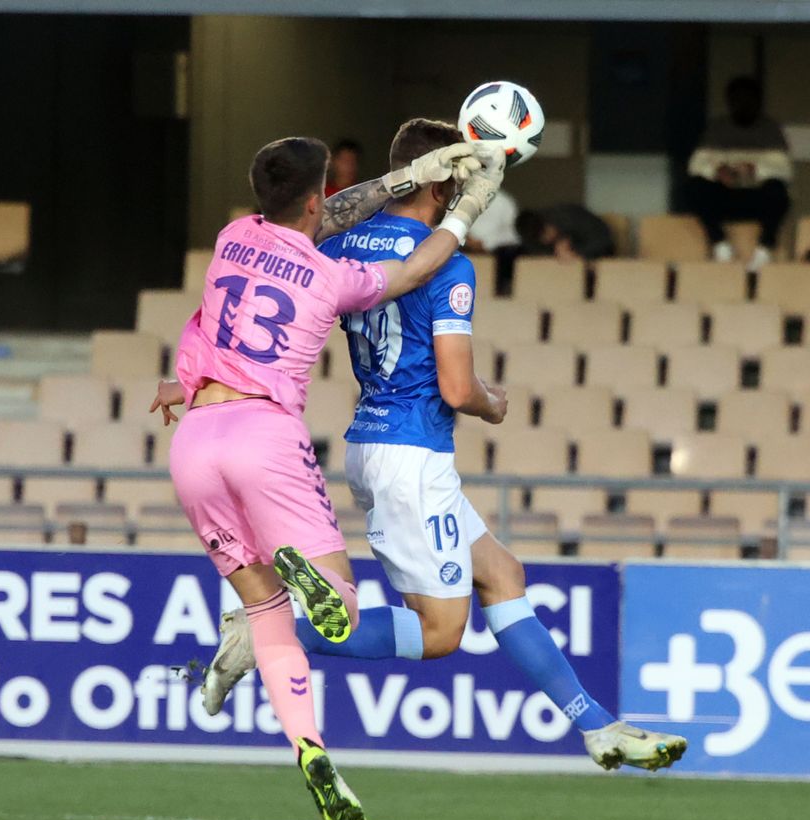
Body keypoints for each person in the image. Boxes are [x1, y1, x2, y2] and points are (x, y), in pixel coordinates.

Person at [198, 119, 687, 775]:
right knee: (439, 632)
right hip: (412, 456)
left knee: (501, 573)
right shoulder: (446, 263)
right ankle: (269, 633)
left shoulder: (340, 243)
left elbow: (321, 222)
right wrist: (491, 401)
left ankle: (597, 727)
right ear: (445, 184)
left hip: (374, 443)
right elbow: (456, 388)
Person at [149, 134, 502, 820]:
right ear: (316, 199)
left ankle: (310, 749)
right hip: (263, 436)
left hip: (195, 438)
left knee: (266, 612)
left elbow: (323, 217)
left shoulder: (231, 238)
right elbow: (413, 269)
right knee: (338, 602)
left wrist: (405, 176)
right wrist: (466, 209)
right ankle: (307, 579)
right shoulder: (327, 276)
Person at [684, 76, 792, 271]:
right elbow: (696, 165)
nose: (743, 105)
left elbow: (784, 169)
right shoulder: (717, 129)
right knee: (695, 187)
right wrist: (718, 171)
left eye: (749, 100)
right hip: (724, 197)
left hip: (757, 197)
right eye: (738, 100)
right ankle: (720, 245)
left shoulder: (770, 129)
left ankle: (764, 250)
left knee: (779, 191)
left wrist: (754, 169)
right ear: (729, 102)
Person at [515, 204, 615, 263]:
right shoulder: (530, 237)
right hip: (562, 272)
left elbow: (604, 239)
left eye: (545, 233)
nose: (546, 240)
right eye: (541, 239)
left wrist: (576, 254)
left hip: (599, 257)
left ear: (548, 222)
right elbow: (536, 256)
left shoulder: (571, 217)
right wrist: (557, 254)